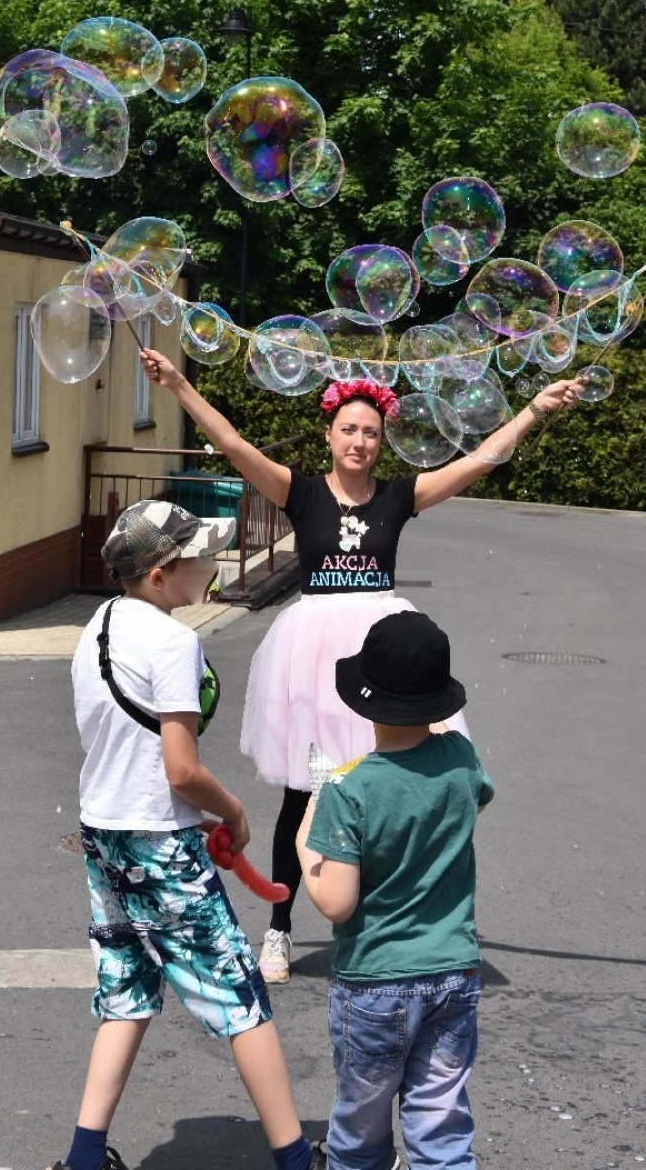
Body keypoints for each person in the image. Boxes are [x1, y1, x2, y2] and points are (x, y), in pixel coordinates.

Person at [142, 346, 576, 983]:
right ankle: (280, 930)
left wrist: (534, 410)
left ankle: (377, 920)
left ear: (383, 441)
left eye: (371, 433)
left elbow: (479, 460)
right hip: (311, 655)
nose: (361, 441)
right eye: (349, 429)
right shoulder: (301, 491)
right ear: (330, 433)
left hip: (381, 647)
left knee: (393, 781)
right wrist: (178, 383)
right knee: (305, 791)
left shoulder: (400, 497)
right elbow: (232, 444)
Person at [51, 499, 321, 1170]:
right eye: (197, 555)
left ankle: (84, 1160)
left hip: (106, 833)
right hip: (157, 844)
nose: (210, 563)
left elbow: (128, 754)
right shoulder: (173, 642)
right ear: (160, 575)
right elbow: (181, 768)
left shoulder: (100, 624)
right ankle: (296, 1160)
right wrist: (231, 812)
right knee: (239, 994)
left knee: (127, 987)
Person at [296, 609, 494, 1170]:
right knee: (440, 1119)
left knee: (360, 1128)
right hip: (453, 972)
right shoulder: (461, 757)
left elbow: (336, 901)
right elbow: (477, 796)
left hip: (376, 986)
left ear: (366, 699)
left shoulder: (348, 789)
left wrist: (307, 847)